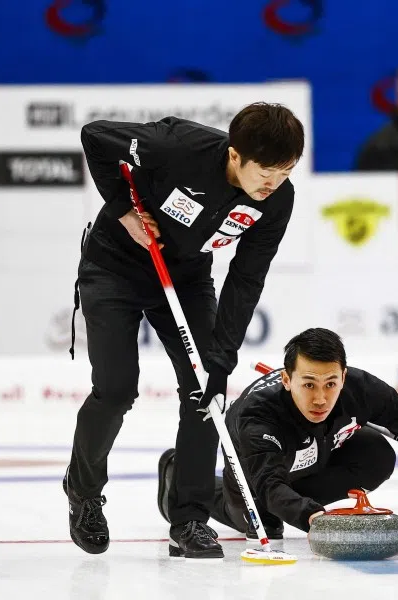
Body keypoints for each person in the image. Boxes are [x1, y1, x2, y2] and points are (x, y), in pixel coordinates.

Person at [64, 103, 305, 560]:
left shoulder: (277, 200)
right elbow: (95, 136)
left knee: (207, 389)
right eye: (267, 171)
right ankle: (84, 493)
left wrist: (224, 353)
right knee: (116, 390)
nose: (274, 183)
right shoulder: (178, 146)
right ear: (235, 156)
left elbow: (247, 275)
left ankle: (190, 517)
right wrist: (124, 213)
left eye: (287, 171)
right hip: (114, 268)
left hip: (186, 278)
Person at [156, 327, 398, 544]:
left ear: (344, 376)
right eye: (308, 384)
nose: (320, 397)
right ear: (286, 380)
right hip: (258, 476)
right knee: (265, 519)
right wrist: (316, 519)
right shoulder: (258, 416)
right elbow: (268, 485)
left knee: (376, 454)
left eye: (331, 384)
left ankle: (298, 502)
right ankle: (177, 471)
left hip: (317, 453)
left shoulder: (359, 388)